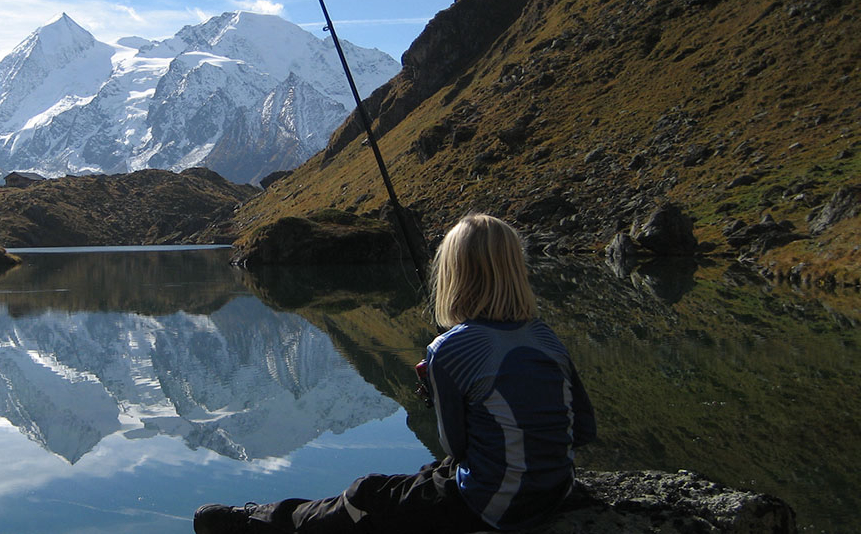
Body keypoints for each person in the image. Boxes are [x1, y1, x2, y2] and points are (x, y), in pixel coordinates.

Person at [193, 214, 596, 533]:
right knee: (425, 479)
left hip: (499, 506)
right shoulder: (546, 337)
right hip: (557, 490)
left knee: (367, 495)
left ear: (454, 274)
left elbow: (456, 448)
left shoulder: (449, 348)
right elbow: (583, 428)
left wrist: (441, 398)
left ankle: (263, 521)